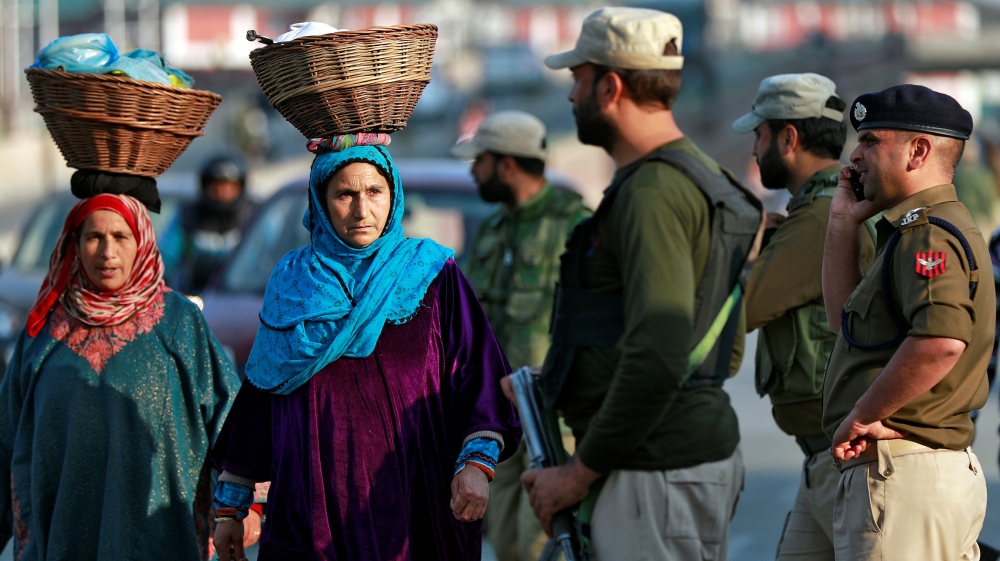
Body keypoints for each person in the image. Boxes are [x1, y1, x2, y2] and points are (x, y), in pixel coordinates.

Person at [512, 8, 762, 560]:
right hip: (663, 466)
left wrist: (578, 473)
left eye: (578, 80)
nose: (572, 96)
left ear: (611, 86)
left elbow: (660, 349)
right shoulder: (688, 177)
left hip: (654, 473)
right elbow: (720, 342)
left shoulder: (653, 192)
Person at [210, 138, 521, 561]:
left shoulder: (432, 275)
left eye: (374, 192)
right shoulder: (293, 283)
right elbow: (262, 394)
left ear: (393, 197)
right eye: (344, 194)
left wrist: (476, 466)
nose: (361, 210)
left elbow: (479, 375)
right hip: (311, 512)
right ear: (320, 202)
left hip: (413, 510)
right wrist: (232, 505)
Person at [0, 192, 240, 560]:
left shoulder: (177, 322)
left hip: (160, 541)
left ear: (142, 242)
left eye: (120, 237)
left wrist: (242, 509)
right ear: (75, 246)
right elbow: (5, 439)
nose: (107, 251)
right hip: (61, 543)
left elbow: (234, 423)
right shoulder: (44, 332)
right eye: (94, 237)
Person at [822, 85, 991, 559]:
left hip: (906, 475)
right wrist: (842, 224)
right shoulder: (908, 230)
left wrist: (862, 415)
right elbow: (843, 324)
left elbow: (941, 341)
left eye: (871, 141)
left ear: (917, 151)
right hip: (906, 475)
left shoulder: (928, 233)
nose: (855, 155)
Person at [732, 73, 878, 560]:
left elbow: (746, 305)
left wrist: (748, 248)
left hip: (842, 461)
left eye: (759, 135)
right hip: (825, 458)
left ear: (788, 138)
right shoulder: (819, 210)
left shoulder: (819, 215)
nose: (754, 149)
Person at [452, 111, 590, 561]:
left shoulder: (576, 226)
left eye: (481, 161)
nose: (473, 171)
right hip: (497, 417)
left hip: (553, 417)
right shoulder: (494, 231)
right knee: (508, 543)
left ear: (506, 165)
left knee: (541, 545)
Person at [162, 155, 257, 293]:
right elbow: (164, 259)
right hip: (194, 299)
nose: (223, 193)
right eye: (217, 187)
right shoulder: (187, 216)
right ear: (206, 186)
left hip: (241, 297)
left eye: (230, 187)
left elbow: (269, 256)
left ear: (240, 187)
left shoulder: (253, 216)